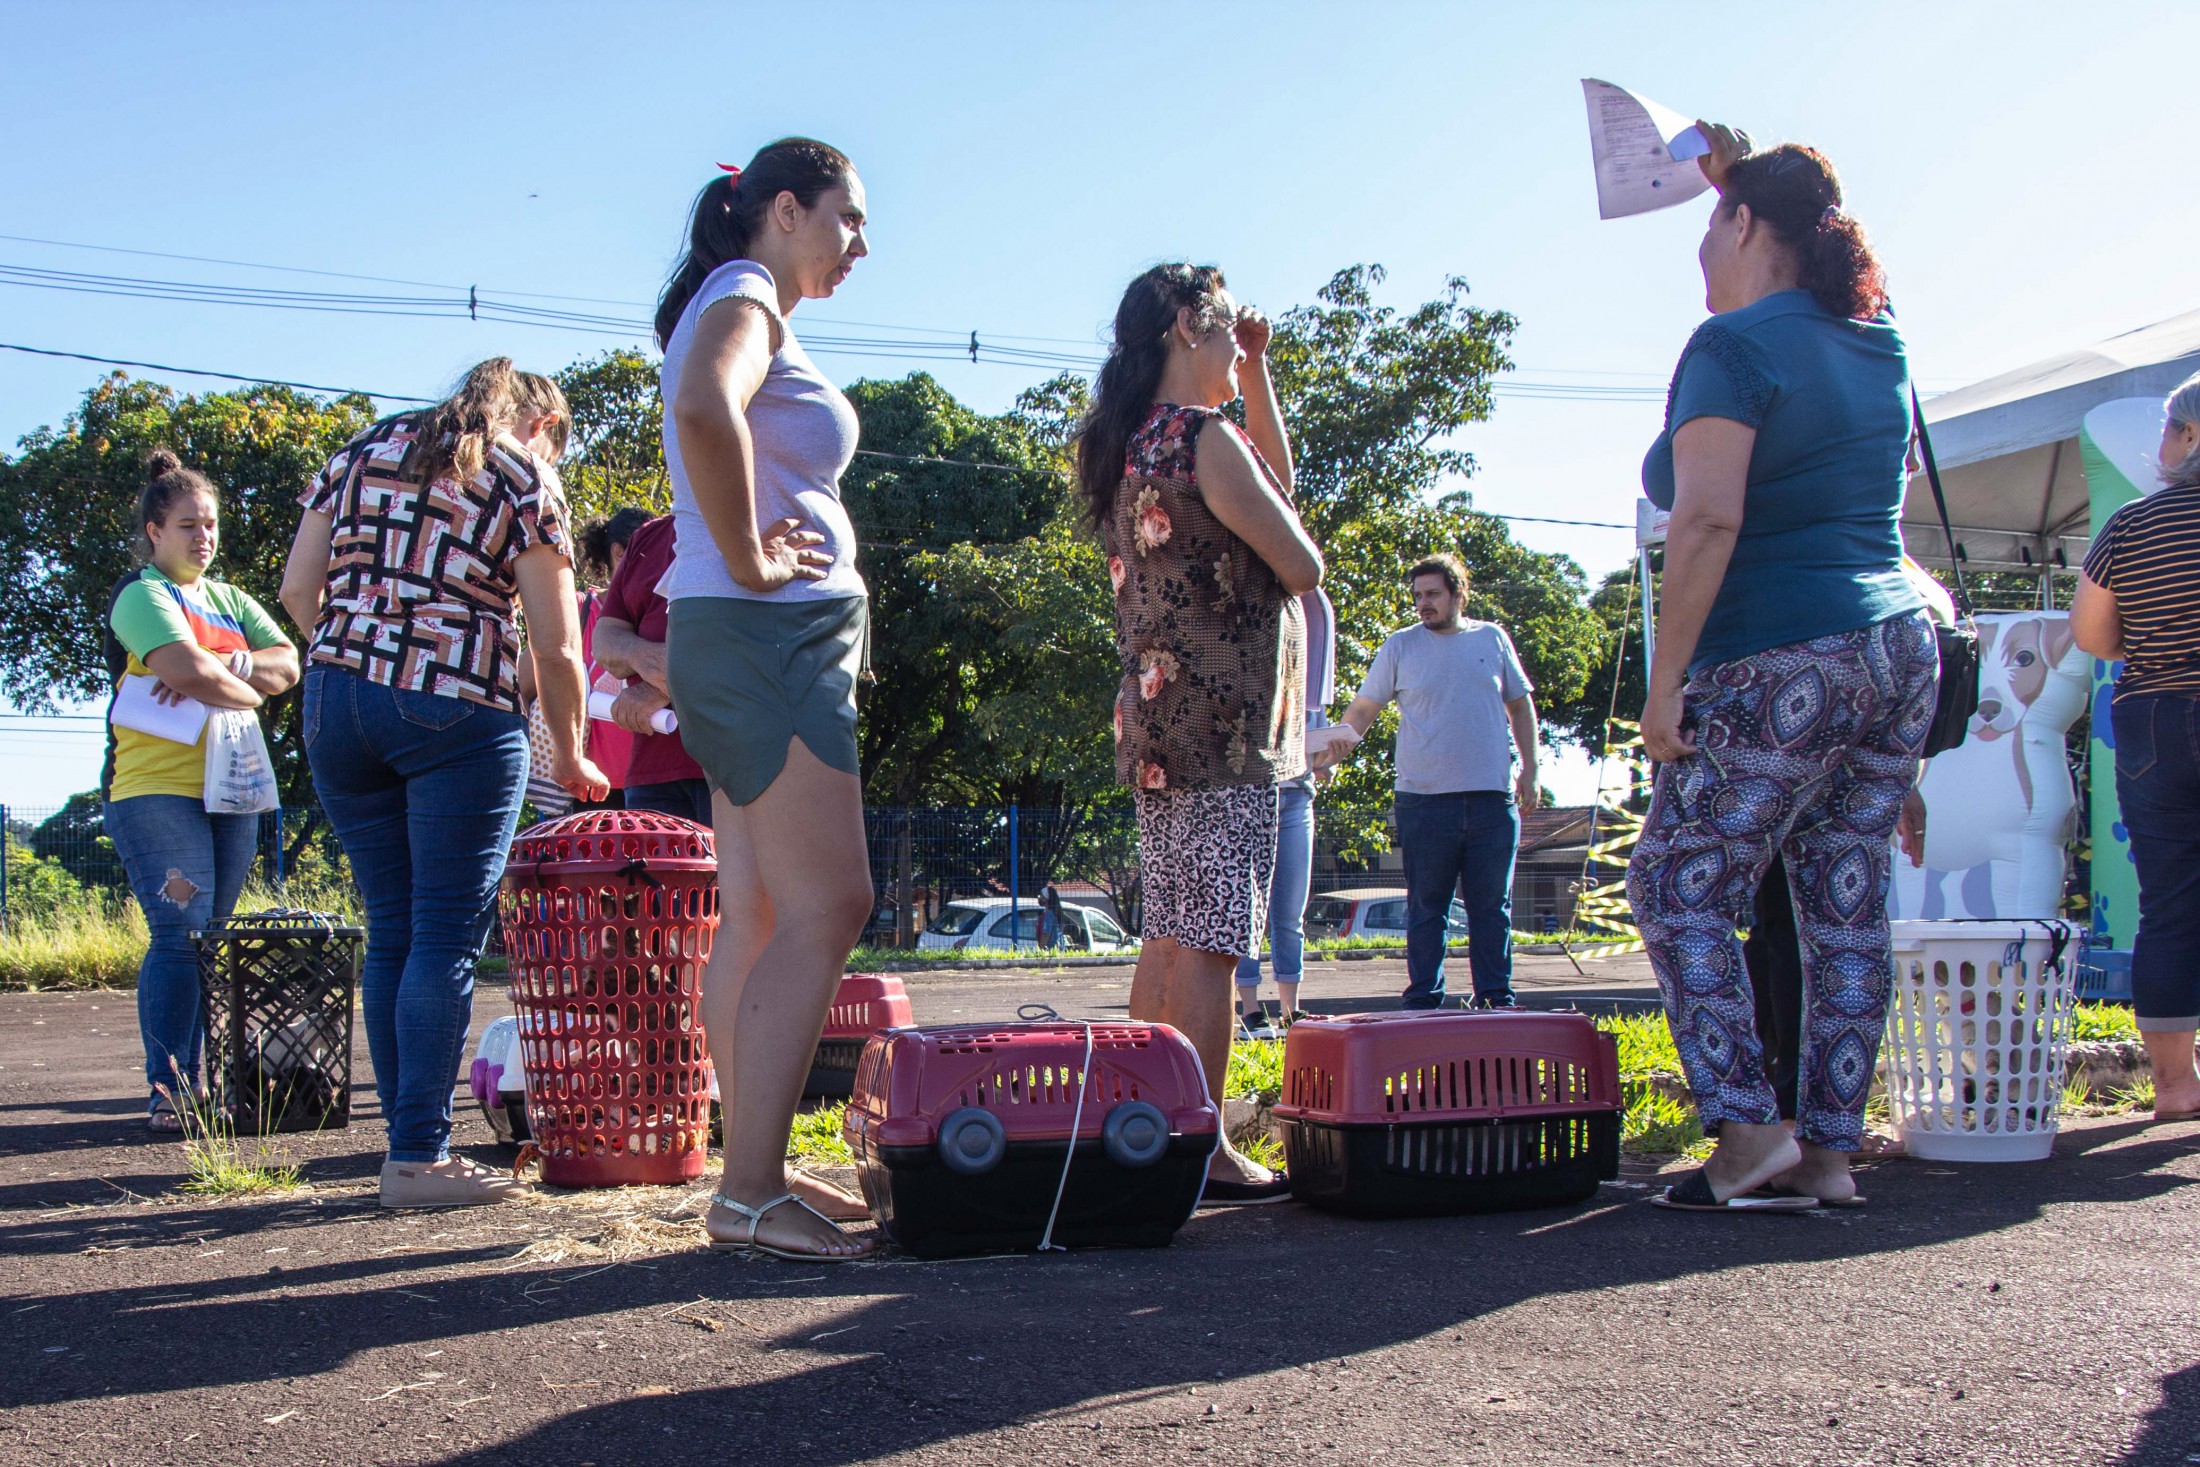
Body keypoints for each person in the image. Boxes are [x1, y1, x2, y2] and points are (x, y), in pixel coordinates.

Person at [1624, 127, 1938, 1213]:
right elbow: (1823, 250)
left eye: (1713, 222)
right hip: (1899, 647)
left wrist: (1664, 687)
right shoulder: (1876, 340)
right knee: (1842, 899)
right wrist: (1742, 182)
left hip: (1781, 649)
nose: (1699, 248)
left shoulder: (1729, 348)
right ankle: (1830, 1156)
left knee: (1675, 883)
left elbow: (1706, 517)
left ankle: (1748, 1134)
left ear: (1746, 227)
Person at [280, 358, 607, 1209]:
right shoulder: (521, 474)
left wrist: (364, 655)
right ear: (539, 425)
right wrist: (569, 755)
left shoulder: (364, 446)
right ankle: (419, 1156)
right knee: (443, 937)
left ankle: (406, 1141)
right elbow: (559, 643)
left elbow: (294, 586)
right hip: (456, 704)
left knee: (391, 928)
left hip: (334, 701)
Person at [655, 139, 879, 1261]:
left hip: (755, 637)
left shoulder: (737, 299)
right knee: (830, 906)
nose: (861, 243)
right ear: (784, 211)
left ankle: (755, 1177)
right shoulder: (743, 294)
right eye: (849, 217)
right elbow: (705, 406)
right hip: (763, 634)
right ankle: (746, 1192)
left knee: (756, 918)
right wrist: (749, 557)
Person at [1079, 262, 1323, 1204]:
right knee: (1217, 937)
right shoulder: (1206, 439)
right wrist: (1244, 399)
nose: (1234, 349)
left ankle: (1138, 1122)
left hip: (1158, 714)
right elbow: (1297, 555)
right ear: (1188, 326)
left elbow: (1273, 490)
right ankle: (1206, 1139)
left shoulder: (1136, 440)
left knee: (1173, 932)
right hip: (1224, 723)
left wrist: (1255, 373)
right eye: (1225, 335)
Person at [102, 449, 299, 1132]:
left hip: (232, 794)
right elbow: (186, 671)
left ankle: (202, 1084)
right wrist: (241, 684)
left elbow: (289, 664)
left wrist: (221, 667)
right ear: (155, 531)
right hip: (157, 794)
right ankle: (169, 1087)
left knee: (212, 936)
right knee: (180, 926)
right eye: (188, 525)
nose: (203, 537)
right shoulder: (142, 594)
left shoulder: (232, 600)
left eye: (211, 525)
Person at [2071, 368, 2200, 1124]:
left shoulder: (2133, 524)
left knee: (2172, 902)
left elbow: (2093, 634)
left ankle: (2177, 1088)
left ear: (2189, 435)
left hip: (2153, 715)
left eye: (2166, 427)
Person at [1338, 555, 1540, 1010]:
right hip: (1424, 801)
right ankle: (1424, 1003)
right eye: (1416, 597)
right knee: (1428, 908)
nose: (1422, 604)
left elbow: (1520, 707)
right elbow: (1363, 710)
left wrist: (1531, 768)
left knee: (1491, 909)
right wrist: (1331, 753)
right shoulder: (1400, 646)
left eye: (1432, 594)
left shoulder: (1492, 638)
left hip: (1491, 798)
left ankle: (1496, 1000)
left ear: (1458, 594)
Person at [1237, 587, 1338, 1037]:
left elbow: (1317, 754)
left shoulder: (1307, 689)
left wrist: (1327, 760)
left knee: (1289, 912)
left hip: (1296, 799)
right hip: (1249, 799)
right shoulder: (1243, 675)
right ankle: (1249, 1009)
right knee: (1246, 911)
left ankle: (1291, 1010)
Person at [591, 513, 714, 825]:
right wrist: (640, 655)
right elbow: (604, 640)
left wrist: (662, 685)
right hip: (651, 774)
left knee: (733, 875)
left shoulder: (758, 520)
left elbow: (755, 632)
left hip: (735, 766)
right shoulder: (648, 537)